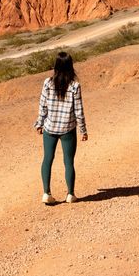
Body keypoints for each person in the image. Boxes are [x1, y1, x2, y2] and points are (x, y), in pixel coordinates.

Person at [33, 51, 88, 204]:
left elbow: (43, 105)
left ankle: (46, 193)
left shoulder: (48, 83)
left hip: (50, 128)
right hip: (67, 129)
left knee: (47, 159)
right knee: (68, 162)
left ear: (56, 66)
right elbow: (78, 110)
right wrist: (83, 130)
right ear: (70, 66)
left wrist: (39, 123)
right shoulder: (75, 86)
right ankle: (70, 194)